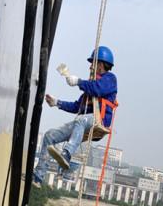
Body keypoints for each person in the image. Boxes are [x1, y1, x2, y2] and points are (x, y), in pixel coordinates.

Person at [33, 46, 117, 188]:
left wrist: (78, 82)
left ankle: (66, 154)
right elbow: (77, 107)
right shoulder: (89, 88)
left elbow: (98, 89)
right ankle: (38, 176)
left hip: (99, 121)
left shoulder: (110, 79)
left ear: (101, 64)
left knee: (81, 120)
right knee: (49, 136)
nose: (91, 67)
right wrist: (57, 103)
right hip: (83, 123)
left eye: (93, 63)